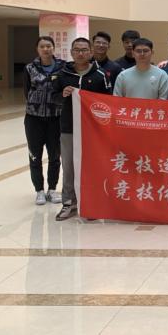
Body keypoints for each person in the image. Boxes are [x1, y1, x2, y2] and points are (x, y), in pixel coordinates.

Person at [53, 38, 112, 221]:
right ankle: (69, 203)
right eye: (77, 50)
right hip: (68, 128)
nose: (80, 53)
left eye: (84, 50)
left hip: (93, 131)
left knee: (92, 167)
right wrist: (62, 95)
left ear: (91, 52)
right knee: (69, 166)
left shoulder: (100, 75)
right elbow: (53, 97)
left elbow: (108, 102)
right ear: (71, 52)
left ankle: (91, 203)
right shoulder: (62, 74)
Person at [23, 36, 65, 205]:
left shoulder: (63, 67)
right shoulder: (30, 68)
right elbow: (26, 90)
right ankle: (39, 190)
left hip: (56, 118)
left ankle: (52, 189)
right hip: (34, 119)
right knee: (35, 155)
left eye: (49, 46)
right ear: (37, 49)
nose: (46, 49)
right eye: (42, 46)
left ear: (54, 48)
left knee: (54, 155)